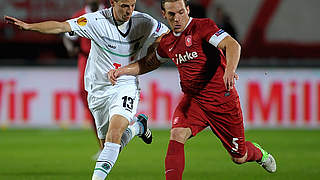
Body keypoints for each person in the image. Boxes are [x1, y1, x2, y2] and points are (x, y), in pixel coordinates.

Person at [108, 0, 277, 179]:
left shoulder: (202, 27)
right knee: (177, 133)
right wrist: (122, 71)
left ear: (187, 9)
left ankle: (260, 154)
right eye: (172, 14)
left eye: (181, 12)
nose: (178, 18)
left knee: (239, 157)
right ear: (164, 15)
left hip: (221, 101)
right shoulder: (168, 42)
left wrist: (230, 70)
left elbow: (232, 45)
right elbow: (148, 63)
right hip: (194, 101)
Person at [4, 0, 169, 179]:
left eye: (132, 5)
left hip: (125, 84)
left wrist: (154, 49)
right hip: (97, 89)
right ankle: (138, 126)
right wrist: (29, 27)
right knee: (110, 146)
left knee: (114, 136)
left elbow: (166, 35)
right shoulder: (95, 21)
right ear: (113, 2)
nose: (129, 11)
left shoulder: (144, 21)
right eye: (124, 6)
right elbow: (61, 26)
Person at [63, 0, 105, 150]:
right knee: (88, 100)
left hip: (107, 60)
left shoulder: (109, 13)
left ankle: (111, 142)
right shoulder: (80, 16)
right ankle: (103, 145)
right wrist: (70, 48)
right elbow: (68, 36)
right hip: (86, 60)